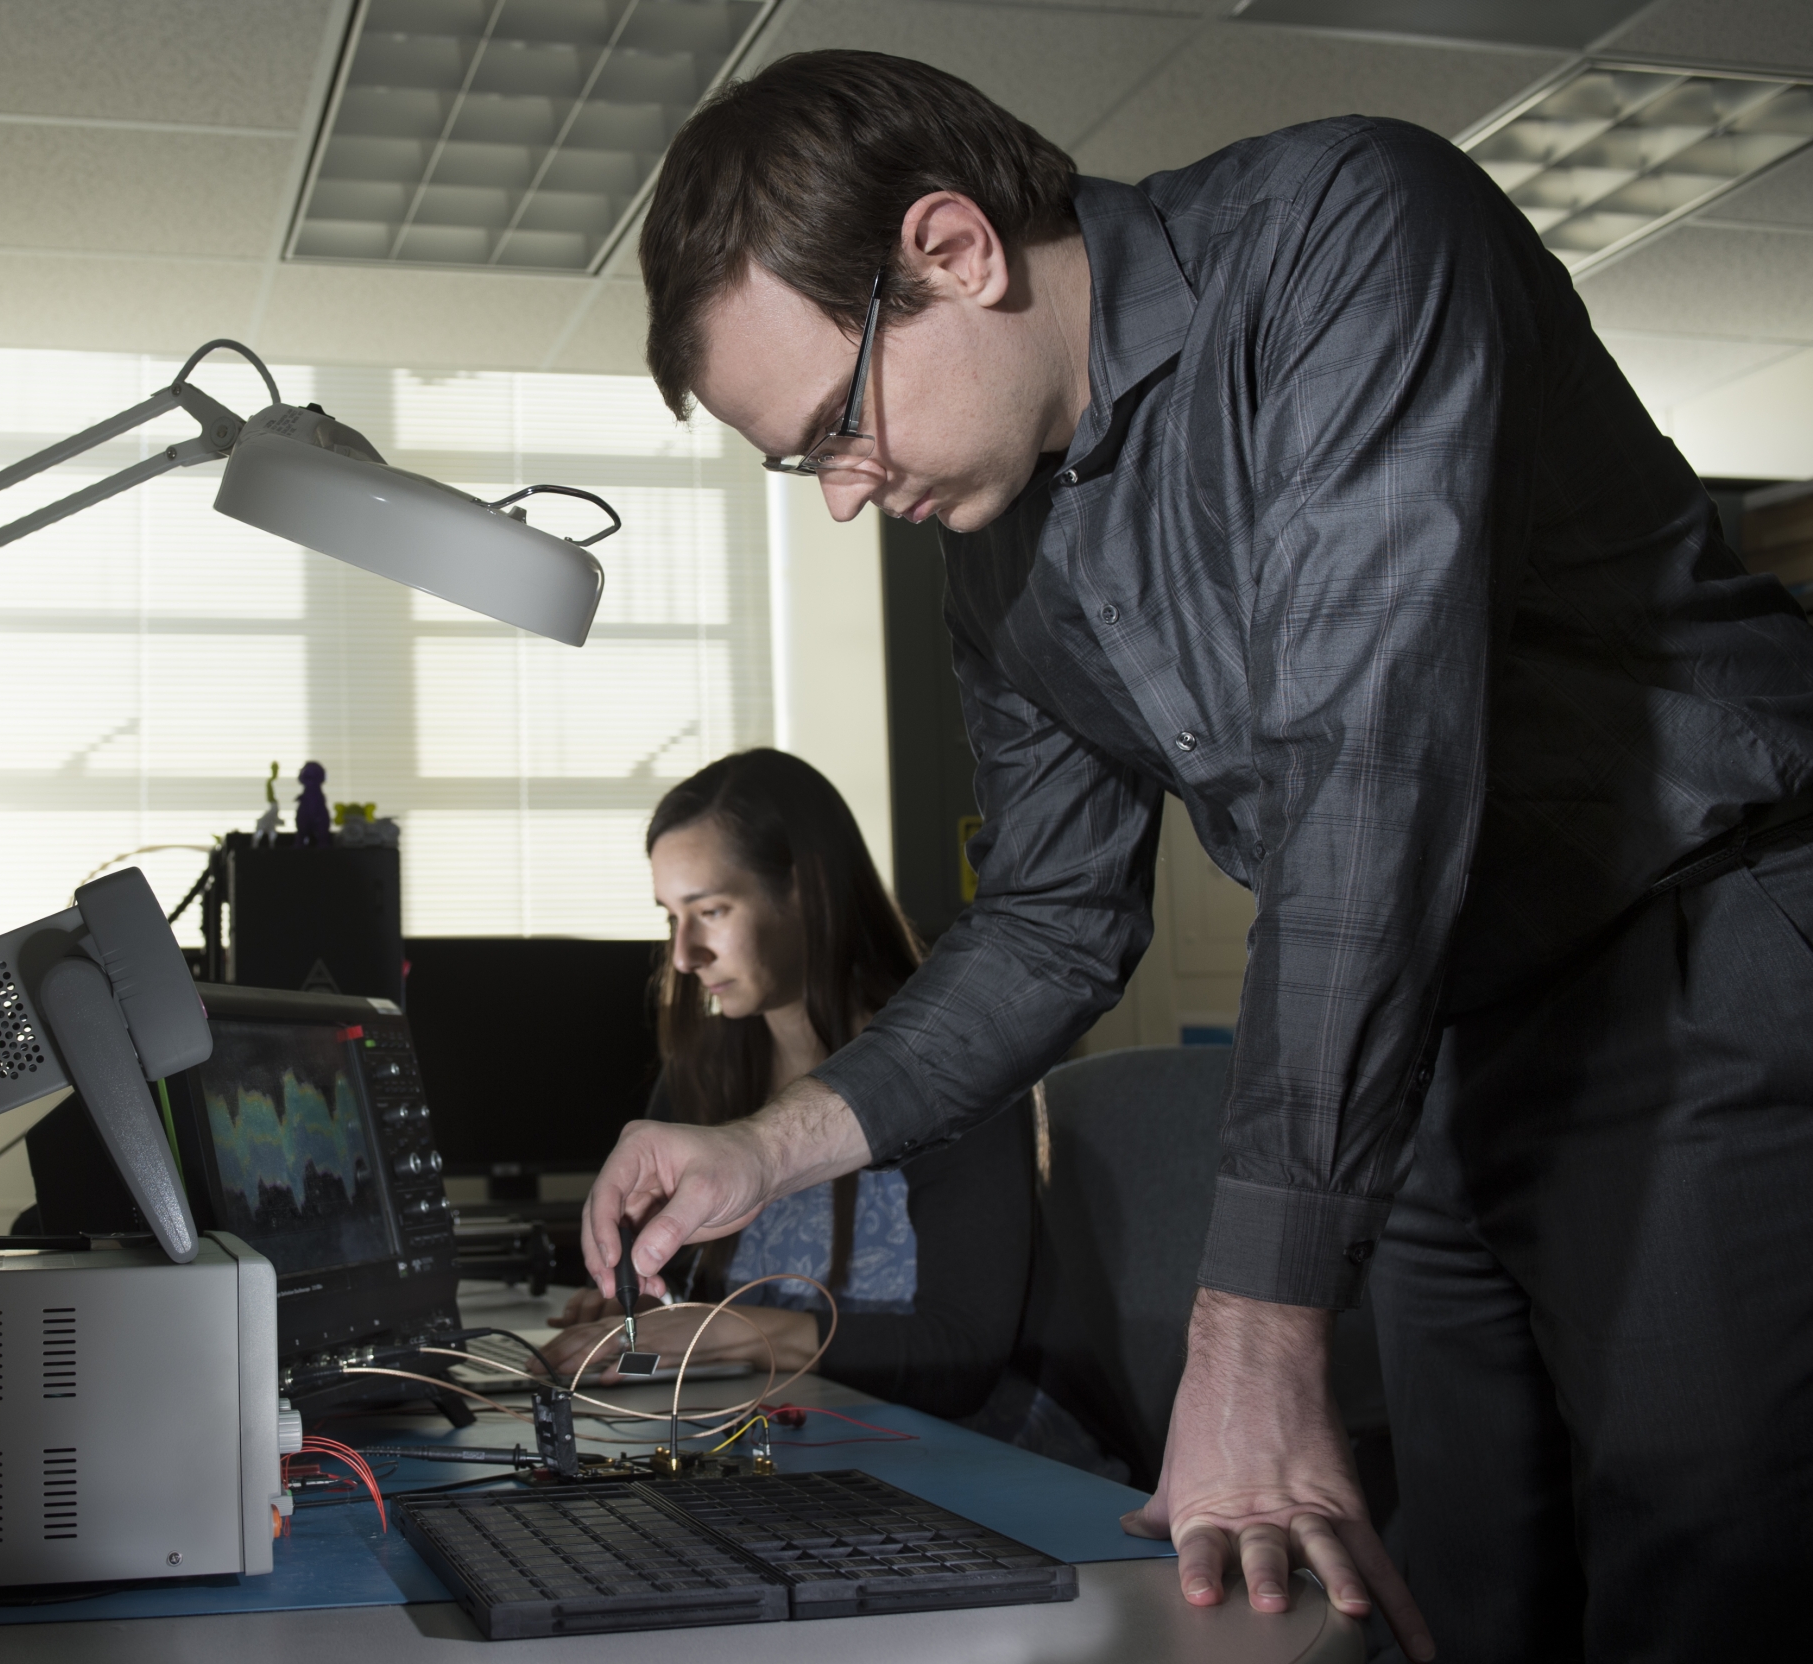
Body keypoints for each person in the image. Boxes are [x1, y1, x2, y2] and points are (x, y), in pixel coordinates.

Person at [580, 49, 1813, 1664]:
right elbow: (1046, 924)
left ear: (954, 251)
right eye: (800, 460)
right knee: (1462, 1579)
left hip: (1695, 939)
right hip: (1442, 1023)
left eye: (836, 427)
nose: (841, 495)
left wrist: (1252, 1321)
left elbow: (1371, 771)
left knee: (1696, 1562)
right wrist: (770, 1146)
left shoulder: (1347, 234)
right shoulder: (997, 540)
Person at [540, 749, 1045, 1430]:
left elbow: (961, 1357)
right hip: (775, 1436)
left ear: (806, 889)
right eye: (670, 918)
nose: (685, 956)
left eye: (711, 910)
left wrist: (731, 1332)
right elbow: (683, 1301)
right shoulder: (702, 1073)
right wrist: (638, 1319)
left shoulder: (953, 1071)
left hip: (955, 1457)